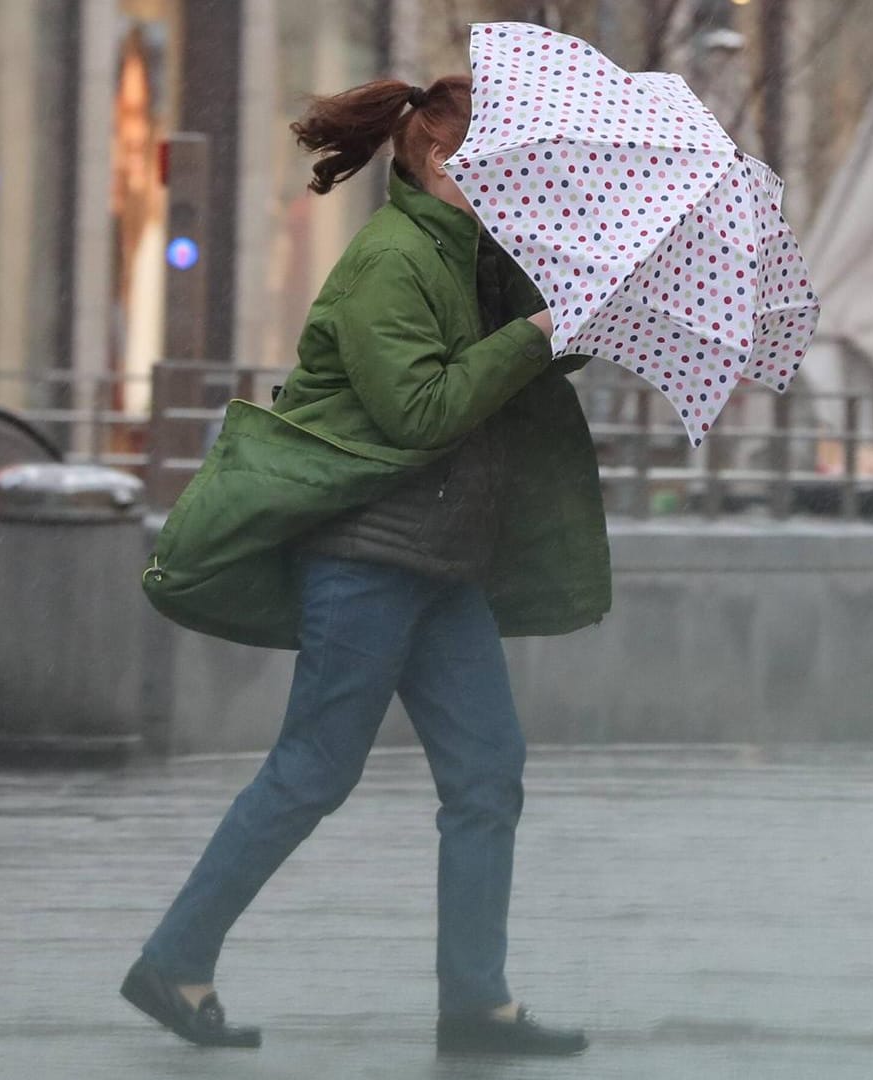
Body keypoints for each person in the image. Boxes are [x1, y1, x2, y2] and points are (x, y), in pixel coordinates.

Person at [122, 74, 608, 1057]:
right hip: (370, 556)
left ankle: (475, 1003)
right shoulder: (390, 261)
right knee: (313, 769)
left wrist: (572, 317)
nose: (520, 187)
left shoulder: (467, 258)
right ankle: (175, 959)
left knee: (487, 774)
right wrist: (534, 333)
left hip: (441, 562)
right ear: (436, 153)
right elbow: (421, 411)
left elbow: (500, 369)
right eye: (503, 166)